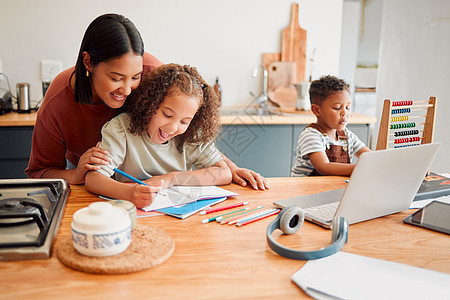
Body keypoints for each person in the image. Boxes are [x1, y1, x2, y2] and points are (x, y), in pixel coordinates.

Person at [25, 13, 268, 190]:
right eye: (116, 78)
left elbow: (185, 121)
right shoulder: (59, 102)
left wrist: (230, 168)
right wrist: (77, 174)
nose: (128, 89)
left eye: (135, 77)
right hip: (97, 185)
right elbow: (37, 173)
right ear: (88, 63)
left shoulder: (154, 74)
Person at [85, 64, 232, 208]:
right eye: (167, 115)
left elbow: (223, 173)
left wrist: (171, 179)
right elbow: (93, 179)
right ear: (151, 103)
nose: (173, 128)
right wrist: (129, 193)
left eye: (184, 121)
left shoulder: (191, 134)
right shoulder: (120, 129)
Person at [291, 75, 370, 177]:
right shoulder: (311, 135)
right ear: (316, 110)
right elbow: (324, 167)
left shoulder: (348, 136)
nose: (344, 113)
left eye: (347, 107)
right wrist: (362, 168)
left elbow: (369, 156)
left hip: (333, 189)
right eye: (337, 108)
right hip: (308, 190)